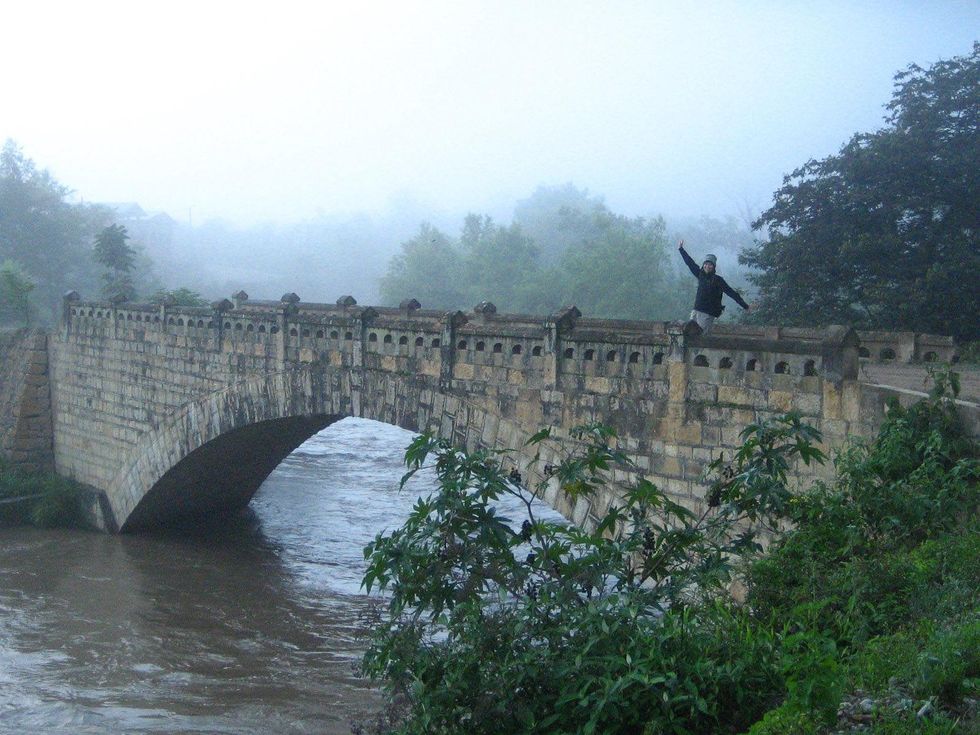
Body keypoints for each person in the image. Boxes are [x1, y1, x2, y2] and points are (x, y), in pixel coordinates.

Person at [678, 239, 749, 335]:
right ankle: (688, 351)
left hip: (707, 314)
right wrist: (681, 249)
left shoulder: (718, 280)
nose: (707, 266)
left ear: (714, 266)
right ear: (703, 265)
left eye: (710, 264)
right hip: (696, 310)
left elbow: (731, 293)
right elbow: (690, 263)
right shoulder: (700, 275)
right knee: (689, 335)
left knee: (700, 338)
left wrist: (745, 306)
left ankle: (697, 350)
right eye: (706, 264)